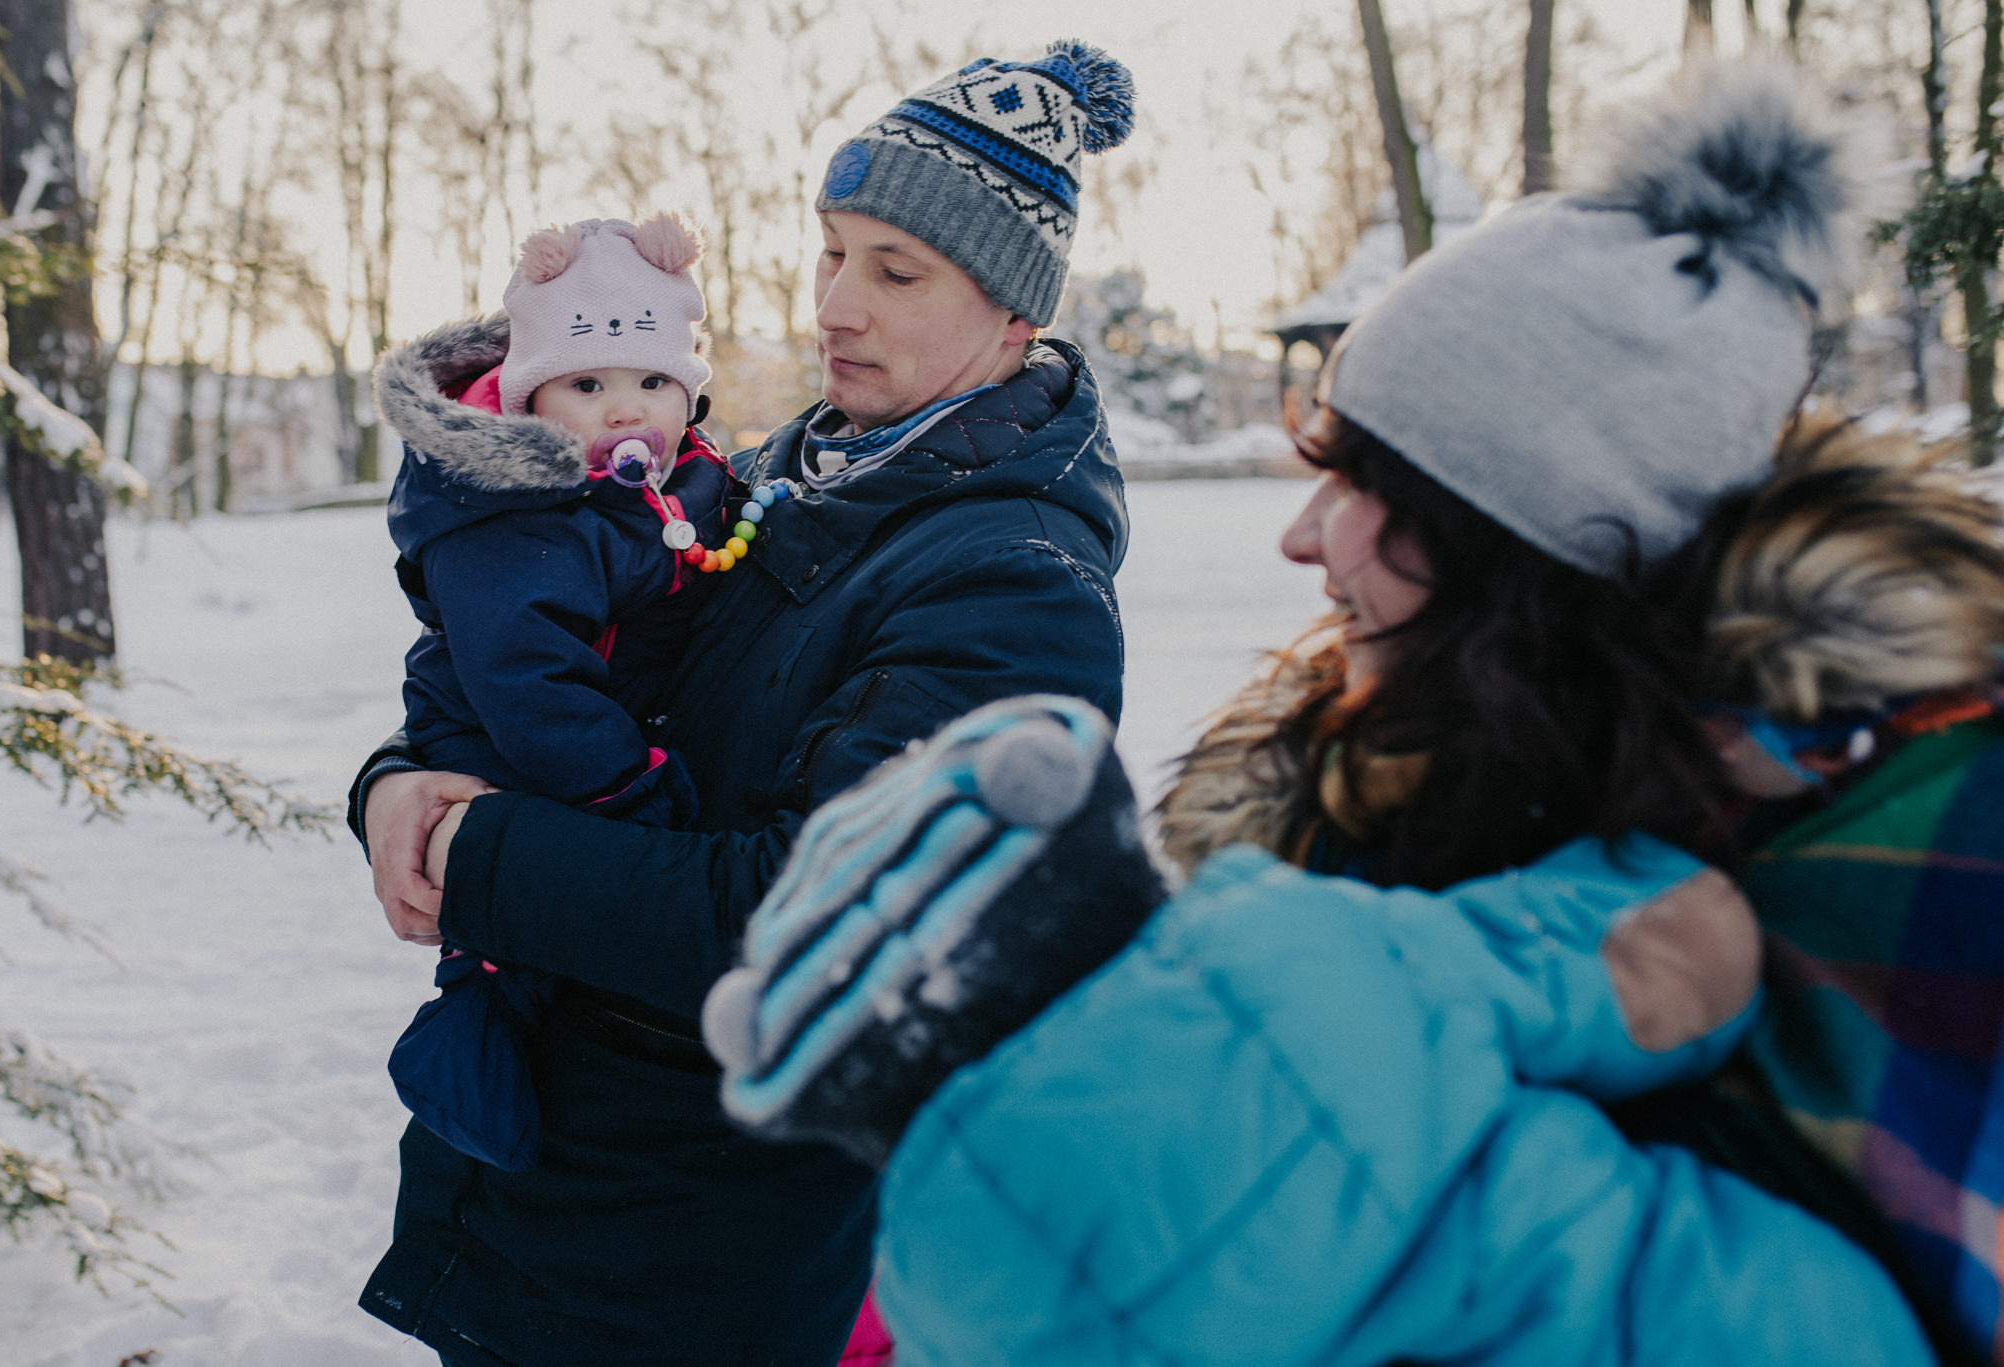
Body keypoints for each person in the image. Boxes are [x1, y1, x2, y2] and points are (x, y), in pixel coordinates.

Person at [700, 65, 1980, 1364]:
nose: (1301, 537)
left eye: (1360, 481)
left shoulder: (1917, 865)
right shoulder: (1342, 775)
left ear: (1516, 541)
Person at [352, 39, 1138, 1367]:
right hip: (565, 1176)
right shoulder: (776, 474)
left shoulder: (1014, 588)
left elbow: (817, 927)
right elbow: (539, 650)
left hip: (702, 1240)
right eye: (832, 249)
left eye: (896, 271)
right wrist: (396, 781)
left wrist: (471, 850)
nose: (836, 302)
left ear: (1013, 311)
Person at [374, 212, 729, 1175]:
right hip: (496, 736)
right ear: (532, 399)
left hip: (575, 726)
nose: (628, 411)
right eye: (588, 385)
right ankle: (469, 1050)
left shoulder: (665, 482)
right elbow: (526, 680)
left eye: (655, 382)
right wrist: (630, 788)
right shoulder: (510, 512)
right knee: (507, 946)